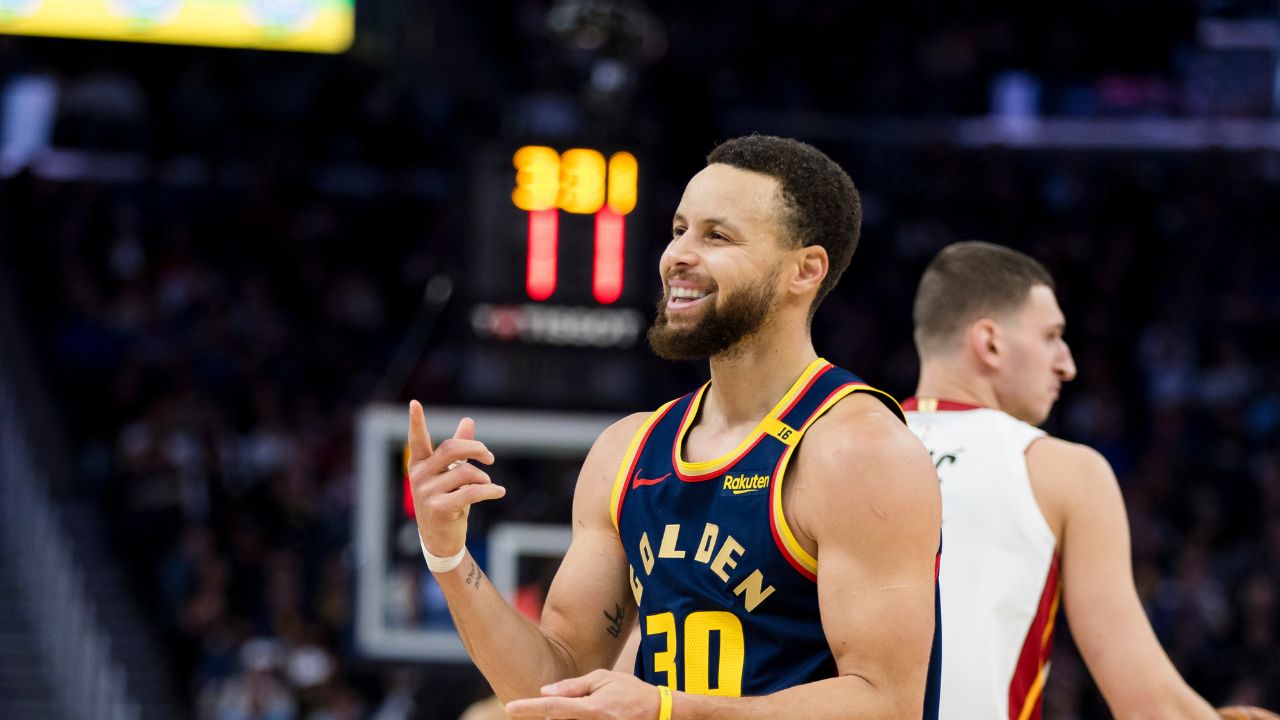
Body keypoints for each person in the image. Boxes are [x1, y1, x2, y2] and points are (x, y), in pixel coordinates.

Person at [408, 135, 942, 719]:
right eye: (679, 229)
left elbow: (885, 702)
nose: (678, 255)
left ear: (805, 270)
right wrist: (449, 557)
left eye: (717, 236)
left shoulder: (857, 450)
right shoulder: (628, 450)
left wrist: (672, 711)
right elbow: (553, 683)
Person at [905, 241, 1217, 719]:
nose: (1066, 364)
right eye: (1052, 336)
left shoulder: (832, 446)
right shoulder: (1061, 469)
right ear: (990, 343)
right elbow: (1149, 702)